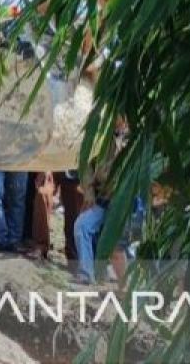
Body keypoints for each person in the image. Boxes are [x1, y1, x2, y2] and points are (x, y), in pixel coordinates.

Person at [74, 119, 131, 284]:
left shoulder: (135, 139)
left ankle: (126, 287)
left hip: (123, 203)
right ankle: (86, 274)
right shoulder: (100, 137)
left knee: (118, 247)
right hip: (102, 199)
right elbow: (86, 166)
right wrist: (89, 194)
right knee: (82, 225)